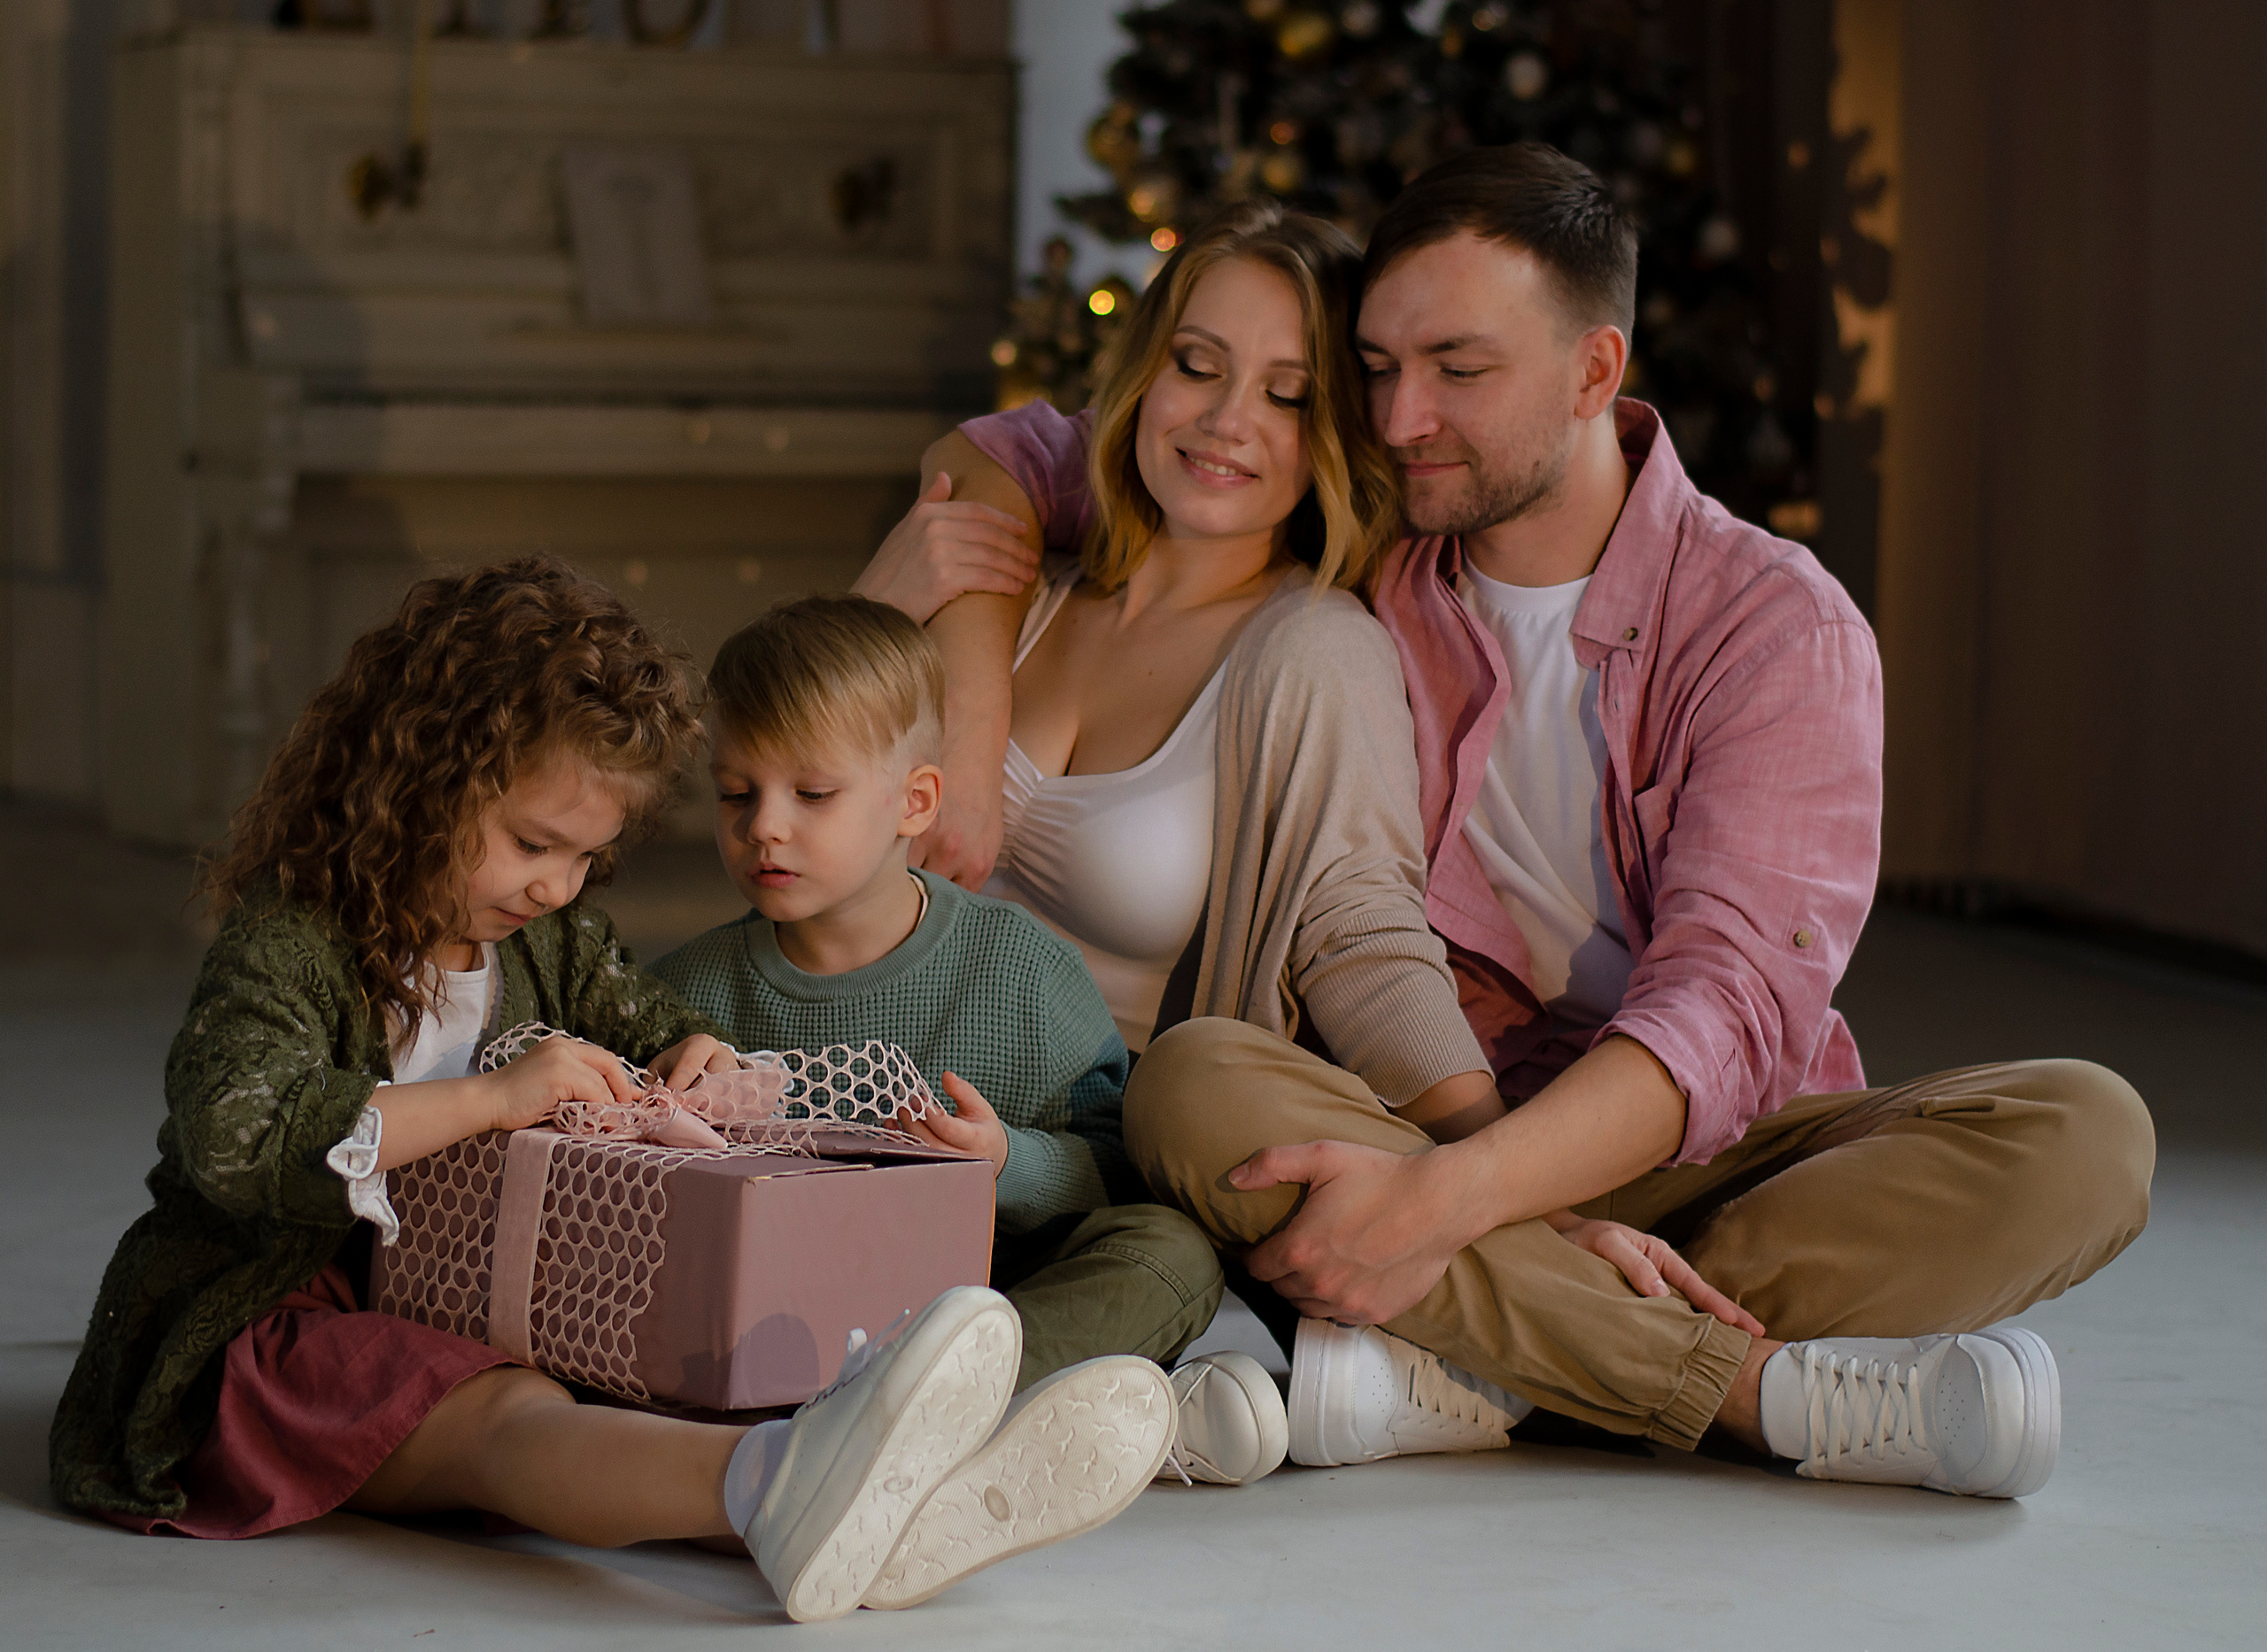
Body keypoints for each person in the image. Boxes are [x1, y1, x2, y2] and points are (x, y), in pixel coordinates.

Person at [869, 145, 2155, 1499]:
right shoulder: (1375, 520)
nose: (1402, 413)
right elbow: (1019, 453)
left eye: (1459, 369)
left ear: (1595, 372)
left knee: (2088, 1136)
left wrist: (1468, 1205)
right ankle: (1725, 1385)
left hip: (1686, 1160)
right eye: (1376, 367)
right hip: (1415, 1120)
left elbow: (1722, 1011)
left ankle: (1475, 1359)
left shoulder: (1775, 626)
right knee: (1198, 1084)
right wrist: (967, 721)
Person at [47, 557, 1160, 1623]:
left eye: (587, 859)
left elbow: (651, 1020)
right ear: (419, 784)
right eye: (534, 844)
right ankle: (795, 1481)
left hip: (458, 1304)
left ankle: (872, 1504)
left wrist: (697, 1057)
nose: (557, 886)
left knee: (619, 1396)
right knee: (513, 1423)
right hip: (273, 1328)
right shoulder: (293, 944)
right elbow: (234, 1134)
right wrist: (493, 1099)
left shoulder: (548, 940)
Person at [651, 593, 1286, 1495]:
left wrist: (1004, 1163)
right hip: (783, 1328)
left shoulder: (1020, 969)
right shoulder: (686, 995)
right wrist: (671, 1110)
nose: (764, 826)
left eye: (813, 794)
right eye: (735, 794)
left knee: (1170, 1251)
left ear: (915, 802)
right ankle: (1000, 1434)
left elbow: (1116, 1168)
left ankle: (886, 1435)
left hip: (990, 1309)